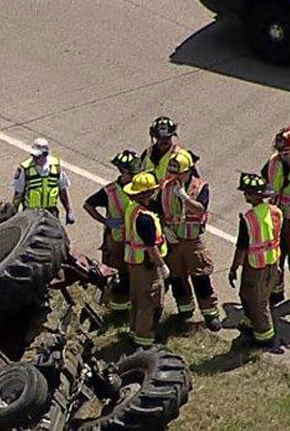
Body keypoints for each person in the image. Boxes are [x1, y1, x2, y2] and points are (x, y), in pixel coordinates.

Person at [160, 150, 221, 331]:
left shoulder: (201, 187)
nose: (175, 176)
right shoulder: (165, 186)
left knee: (201, 277)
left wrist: (184, 198)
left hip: (192, 240)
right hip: (173, 241)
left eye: (179, 173)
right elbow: (159, 210)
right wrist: (164, 229)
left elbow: (200, 210)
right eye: (173, 173)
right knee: (177, 278)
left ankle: (210, 313)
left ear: (188, 170)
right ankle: (185, 309)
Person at [83, 149, 142, 313]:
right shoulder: (110, 192)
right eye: (132, 173)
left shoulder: (142, 187)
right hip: (117, 241)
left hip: (138, 241)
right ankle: (117, 308)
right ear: (123, 171)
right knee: (118, 275)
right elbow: (88, 205)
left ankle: (130, 304)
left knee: (135, 274)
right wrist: (105, 221)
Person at [228, 172, 282, 349]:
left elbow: (242, 248)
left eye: (247, 193)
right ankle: (252, 325)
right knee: (257, 297)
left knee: (256, 302)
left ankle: (264, 337)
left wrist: (234, 268)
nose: (245, 195)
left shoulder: (248, 218)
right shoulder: (275, 212)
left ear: (253, 195)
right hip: (272, 263)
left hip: (255, 266)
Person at [261, 126, 290, 307]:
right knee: (275, 258)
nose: (282, 155)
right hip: (276, 217)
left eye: (286, 152)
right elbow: (265, 179)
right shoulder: (273, 162)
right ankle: (276, 291)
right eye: (280, 151)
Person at [121, 172, 169, 347]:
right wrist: (162, 266)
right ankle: (145, 340)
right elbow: (151, 247)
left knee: (138, 300)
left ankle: (135, 332)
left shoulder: (132, 209)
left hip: (135, 264)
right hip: (147, 265)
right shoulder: (145, 219)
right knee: (150, 302)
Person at [13, 138, 73, 223]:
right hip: (30, 214)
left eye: (38, 157)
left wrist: (69, 211)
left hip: (51, 213)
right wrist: (13, 214)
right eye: (33, 156)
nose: (35, 159)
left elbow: (63, 190)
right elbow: (18, 195)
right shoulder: (24, 169)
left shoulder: (55, 167)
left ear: (45, 154)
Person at [141, 116, 195, 183]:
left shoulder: (182, 157)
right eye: (159, 138)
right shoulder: (147, 155)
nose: (164, 141)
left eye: (167, 138)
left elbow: (195, 184)